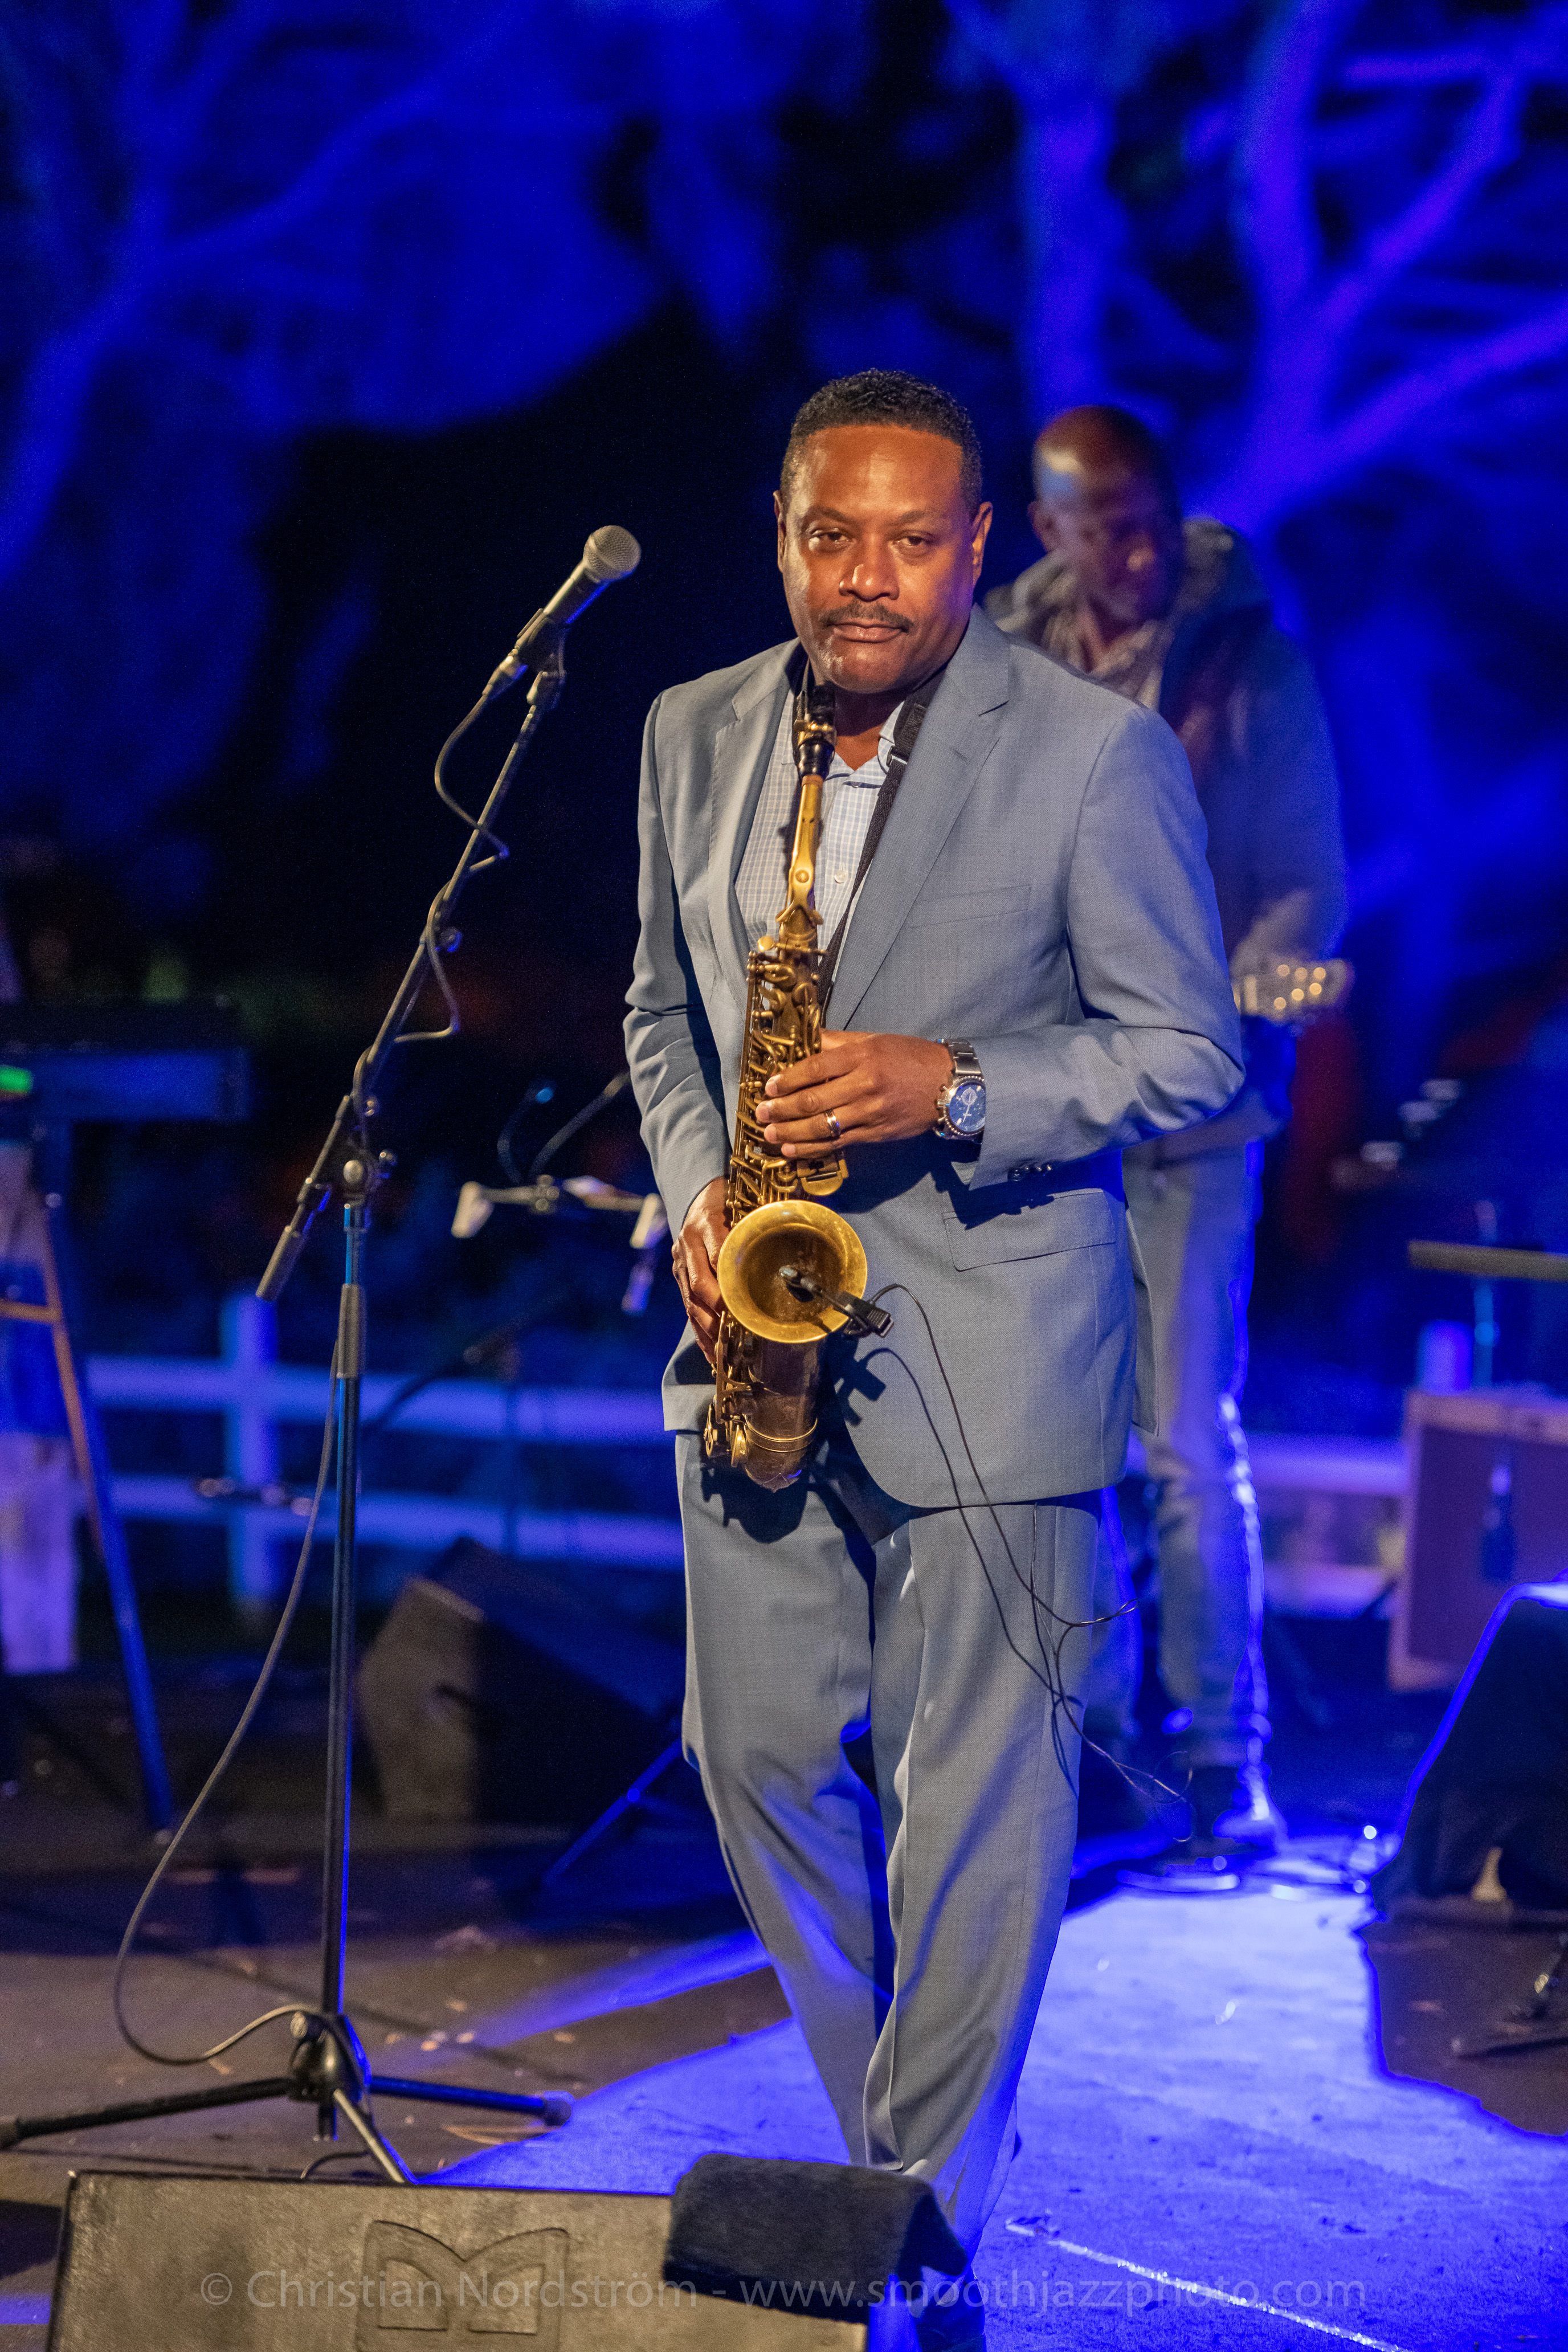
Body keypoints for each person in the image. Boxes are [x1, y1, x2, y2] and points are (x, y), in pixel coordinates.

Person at [624, 369, 1241, 2330]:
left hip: (995, 1345)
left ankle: (911, 2214)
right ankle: (899, 2162)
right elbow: (661, 1014)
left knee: (979, 1814)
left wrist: (953, 1084)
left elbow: (1190, 1050)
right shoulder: (690, 729)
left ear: (978, 549)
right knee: (748, 1756)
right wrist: (700, 1199)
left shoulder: (1094, 753)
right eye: (833, 536)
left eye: (911, 540)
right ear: (782, 536)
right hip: (755, 1329)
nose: (868, 578)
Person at [986, 404, 1349, 1862]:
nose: (1134, 554)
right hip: (1049, 1107)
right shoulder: (995, 662)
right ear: (1048, 530)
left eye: (1148, 523)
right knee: (1063, 1440)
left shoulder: (1249, 662)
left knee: (1186, 1440)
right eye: (1102, 530)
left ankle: (1219, 1754)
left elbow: (1304, 880)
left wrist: (1260, 986)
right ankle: (1093, 1743)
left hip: (1193, 1113)